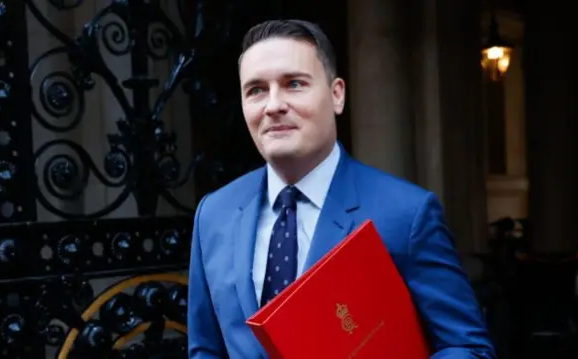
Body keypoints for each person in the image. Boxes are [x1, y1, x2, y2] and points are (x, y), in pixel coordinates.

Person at [187, 19, 496, 358]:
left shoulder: (406, 214)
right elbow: (205, 349)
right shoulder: (213, 214)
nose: (273, 105)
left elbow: (467, 347)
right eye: (256, 90)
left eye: (294, 84)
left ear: (337, 95)